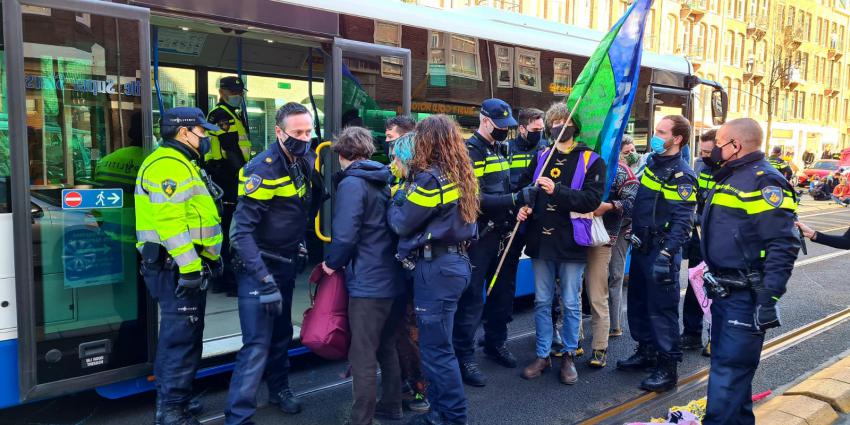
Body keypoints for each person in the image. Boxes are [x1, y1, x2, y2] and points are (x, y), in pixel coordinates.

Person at [224, 102, 324, 424]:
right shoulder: (261, 169)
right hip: (259, 269)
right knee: (256, 344)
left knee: (281, 335)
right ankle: (238, 416)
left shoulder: (305, 158)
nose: (305, 137)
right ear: (279, 132)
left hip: (285, 263)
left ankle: (279, 389)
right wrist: (263, 279)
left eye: (308, 131)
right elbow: (241, 234)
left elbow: (300, 210)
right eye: (297, 132)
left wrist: (301, 245)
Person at [700, 118, 800, 424]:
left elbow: (783, 244)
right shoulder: (732, 175)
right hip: (726, 292)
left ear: (735, 145)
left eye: (718, 143)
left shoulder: (763, 181)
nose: (714, 149)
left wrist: (768, 298)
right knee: (730, 377)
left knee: (728, 377)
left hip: (745, 296)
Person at [387, 114, 479, 425]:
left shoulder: (430, 179)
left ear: (428, 142)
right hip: (456, 265)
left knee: (436, 351)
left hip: (436, 269)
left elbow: (402, 222)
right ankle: (441, 414)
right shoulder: (461, 176)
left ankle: (451, 417)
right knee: (439, 347)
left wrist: (395, 199)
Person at [134, 107, 223, 425]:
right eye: (203, 132)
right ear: (185, 132)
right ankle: (171, 410)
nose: (207, 138)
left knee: (187, 333)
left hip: (180, 265)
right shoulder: (167, 165)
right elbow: (170, 224)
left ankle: (178, 398)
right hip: (174, 267)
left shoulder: (182, 162)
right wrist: (190, 267)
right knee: (179, 338)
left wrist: (209, 256)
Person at [517, 102, 606, 384]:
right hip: (540, 240)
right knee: (542, 301)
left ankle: (568, 354)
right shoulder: (542, 155)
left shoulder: (592, 160)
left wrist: (558, 190)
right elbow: (523, 188)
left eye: (562, 122)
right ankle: (543, 354)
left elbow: (591, 200)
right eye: (553, 123)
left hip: (571, 241)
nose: (557, 127)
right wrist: (524, 206)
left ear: (574, 127)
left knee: (570, 302)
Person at [321, 127, 405, 425]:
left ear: (342, 155)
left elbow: (345, 235)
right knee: (386, 345)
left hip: (369, 283)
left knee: (363, 354)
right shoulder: (383, 178)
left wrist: (331, 264)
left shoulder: (352, 184)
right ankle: (391, 407)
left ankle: (361, 420)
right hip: (392, 278)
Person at [616, 115, 696, 393]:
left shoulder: (681, 174)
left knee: (662, 312)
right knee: (638, 303)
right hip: (641, 247)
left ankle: (667, 367)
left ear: (678, 139)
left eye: (662, 132)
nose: (656, 135)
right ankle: (646, 351)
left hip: (661, 252)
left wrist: (666, 255)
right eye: (656, 130)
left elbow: (683, 223)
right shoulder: (652, 163)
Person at [456, 98, 518, 386]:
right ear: (484, 121)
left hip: (502, 233)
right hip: (480, 236)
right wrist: (513, 199)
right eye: (500, 126)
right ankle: (464, 356)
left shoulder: (498, 148)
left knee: (502, 294)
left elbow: (503, 187)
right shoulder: (470, 152)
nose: (505, 131)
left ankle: (495, 342)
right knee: (472, 298)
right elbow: (472, 199)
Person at [481, 107, 547, 370]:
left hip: (528, 223)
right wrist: (516, 199)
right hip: (506, 222)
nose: (540, 135)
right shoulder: (506, 149)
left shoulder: (545, 150)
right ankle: (488, 338)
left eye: (542, 130)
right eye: (535, 130)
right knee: (488, 286)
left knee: (506, 287)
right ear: (522, 128)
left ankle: (498, 339)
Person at [585, 137, 638, 368]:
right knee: (569, 292)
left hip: (609, 236)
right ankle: (572, 343)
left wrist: (609, 206)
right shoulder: (580, 164)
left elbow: (633, 203)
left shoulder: (622, 172)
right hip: (576, 238)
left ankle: (603, 342)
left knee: (605, 286)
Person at [389, 132, 431, 414]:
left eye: (395, 157)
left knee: (412, 331)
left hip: (415, 271)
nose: (392, 162)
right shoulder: (405, 183)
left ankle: (420, 388)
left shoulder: (415, 187)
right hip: (408, 270)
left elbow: (401, 224)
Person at [205, 76, 251, 296]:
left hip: (225, 175)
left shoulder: (230, 114)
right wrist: (244, 177)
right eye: (233, 91)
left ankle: (221, 278)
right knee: (230, 229)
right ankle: (229, 280)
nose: (238, 96)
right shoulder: (222, 115)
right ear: (222, 92)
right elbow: (231, 149)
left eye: (240, 92)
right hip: (227, 176)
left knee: (225, 227)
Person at [681, 129, 717, 356]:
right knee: (695, 286)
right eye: (701, 151)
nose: (704, 155)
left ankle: (715, 337)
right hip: (699, 237)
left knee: (715, 289)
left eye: (708, 152)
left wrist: (701, 218)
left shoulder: (730, 172)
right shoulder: (700, 165)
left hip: (718, 239)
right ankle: (691, 333)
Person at [608, 136, 640, 338]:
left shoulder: (641, 170)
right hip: (608, 226)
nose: (632, 155)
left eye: (633, 150)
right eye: (626, 152)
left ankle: (615, 324)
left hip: (623, 229)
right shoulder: (613, 171)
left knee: (616, 275)